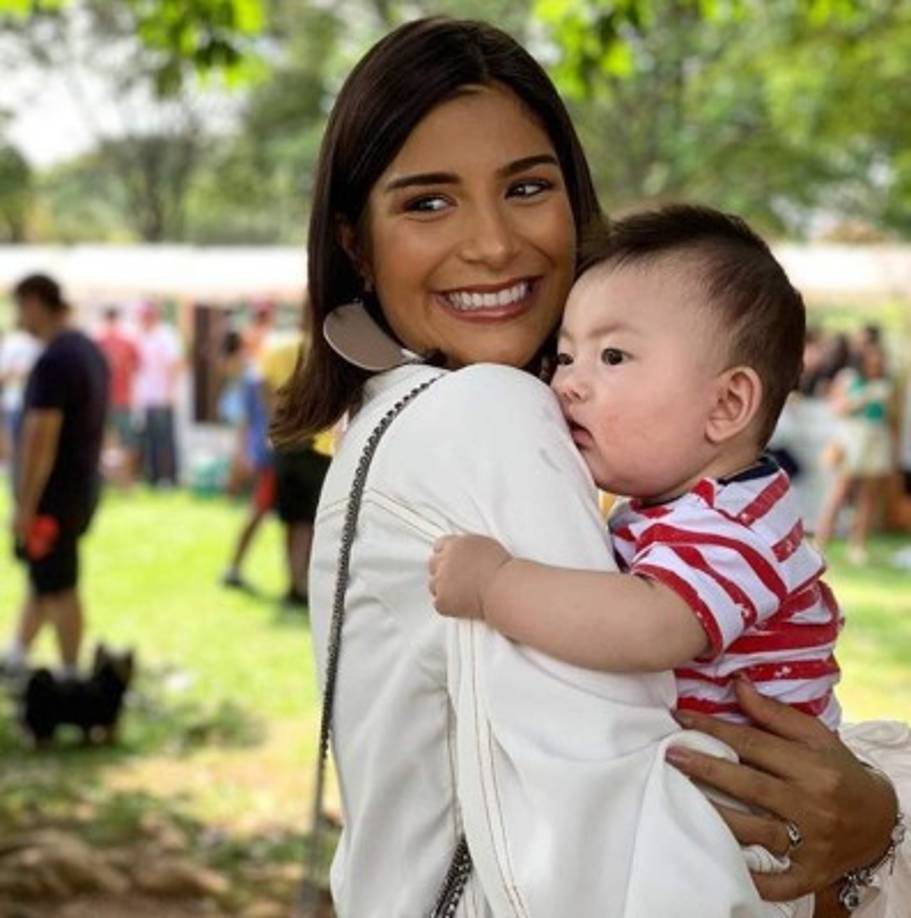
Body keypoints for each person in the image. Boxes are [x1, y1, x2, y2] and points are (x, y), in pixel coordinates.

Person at [273, 18, 908, 917]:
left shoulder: (388, 418)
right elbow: (619, 852)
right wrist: (865, 840)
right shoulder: (488, 411)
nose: (492, 244)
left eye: (526, 187)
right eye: (427, 202)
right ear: (352, 242)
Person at [429, 204, 841, 745]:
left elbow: (650, 627)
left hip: (753, 812)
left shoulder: (737, 529)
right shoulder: (684, 506)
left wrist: (495, 585)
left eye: (614, 356)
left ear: (727, 404)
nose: (568, 384)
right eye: (567, 356)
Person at [1, 274, 109, 679]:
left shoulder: (54, 361)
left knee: (60, 584)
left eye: (18, 307)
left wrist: (24, 505)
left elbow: (39, 439)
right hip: (80, 487)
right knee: (43, 575)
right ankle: (16, 654)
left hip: (53, 495)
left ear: (34, 303)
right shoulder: (87, 351)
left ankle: (68, 674)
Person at [260, 322, 331, 607]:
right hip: (318, 442)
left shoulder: (279, 348)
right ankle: (305, 585)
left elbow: (267, 390)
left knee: (291, 520)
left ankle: (293, 581)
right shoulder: (325, 350)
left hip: (288, 440)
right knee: (312, 520)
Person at [815, 338, 895, 564]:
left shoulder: (885, 382)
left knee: (868, 495)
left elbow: (890, 415)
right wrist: (861, 397)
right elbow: (836, 407)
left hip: (876, 436)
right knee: (840, 491)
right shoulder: (849, 377)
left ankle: (857, 545)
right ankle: (822, 540)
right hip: (852, 437)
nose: (876, 360)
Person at [218, 329, 277, 592]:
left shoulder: (252, 377)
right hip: (265, 453)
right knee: (258, 510)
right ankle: (233, 566)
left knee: (258, 510)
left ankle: (234, 566)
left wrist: (242, 457)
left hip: (264, 452)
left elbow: (249, 423)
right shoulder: (251, 376)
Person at [134, 301, 181, 486]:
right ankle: (153, 476)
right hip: (146, 397)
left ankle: (168, 476)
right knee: (150, 439)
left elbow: (174, 365)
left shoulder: (166, 335)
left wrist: (170, 391)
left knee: (164, 440)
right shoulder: (140, 336)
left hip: (162, 396)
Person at [95, 305, 140, 485]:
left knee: (119, 441)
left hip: (114, 398)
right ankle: (122, 480)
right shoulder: (103, 340)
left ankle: (123, 479)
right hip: (113, 398)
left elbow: (136, 366)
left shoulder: (104, 340)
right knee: (121, 441)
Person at [0, 324, 41, 475]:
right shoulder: (32, 342)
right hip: (21, 402)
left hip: (20, 402)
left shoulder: (16, 344)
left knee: (20, 443)